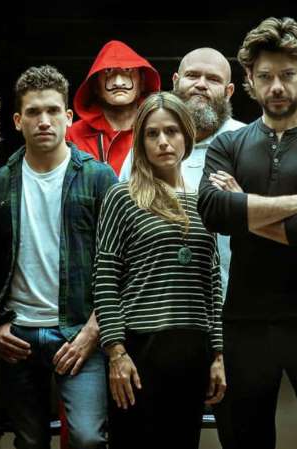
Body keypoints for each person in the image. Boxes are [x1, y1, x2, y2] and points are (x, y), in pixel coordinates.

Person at [197, 17, 297, 449]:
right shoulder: (227, 145)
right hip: (245, 321)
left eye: (287, 75)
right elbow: (212, 211)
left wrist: (243, 208)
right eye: (265, 76)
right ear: (249, 79)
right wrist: (296, 204)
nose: (276, 87)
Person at [0, 65, 117, 449]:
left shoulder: (99, 178)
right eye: (33, 112)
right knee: (29, 441)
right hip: (17, 334)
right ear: (17, 121)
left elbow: (118, 263)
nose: (44, 120)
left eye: (53, 110)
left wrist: (93, 332)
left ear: (68, 117)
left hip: (79, 331)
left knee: (87, 438)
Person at [94, 91, 225, 449]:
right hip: (140, 348)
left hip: (192, 348)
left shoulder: (205, 201)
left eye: (172, 131)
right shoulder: (123, 197)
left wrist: (217, 354)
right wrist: (116, 353)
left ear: (187, 136)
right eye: (152, 133)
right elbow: (105, 280)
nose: (163, 141)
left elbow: (213, 283)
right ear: (141, 141)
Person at [119, 47, 245, 293]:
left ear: (229, 92)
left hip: (231, 299)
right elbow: (121, 227)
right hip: (156, 299)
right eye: (192, 75)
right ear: (175, 81)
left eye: (213, 79)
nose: (201, 84)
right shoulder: (146, 146)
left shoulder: (246, 141)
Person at [67, 40, 161, 175]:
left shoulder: (158, 131)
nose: (118, 83)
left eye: (128, 70)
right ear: (96, 86)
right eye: (108, 71)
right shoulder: (72, 135)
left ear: (142, 83)